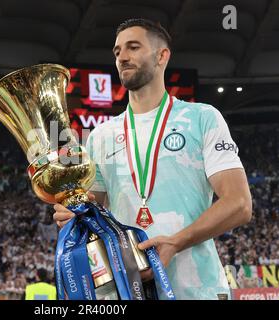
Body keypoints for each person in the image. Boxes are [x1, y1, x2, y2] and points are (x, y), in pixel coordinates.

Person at [53, 18, 252, 300]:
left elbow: (239, 204)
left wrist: (175, 242)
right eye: (117, 51)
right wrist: (74, 214)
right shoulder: (100, 136)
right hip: (129, 290)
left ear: (162, 55)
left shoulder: (202, 118)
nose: (122, 56)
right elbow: (92, 210)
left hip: (197, 289)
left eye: (133, 47)